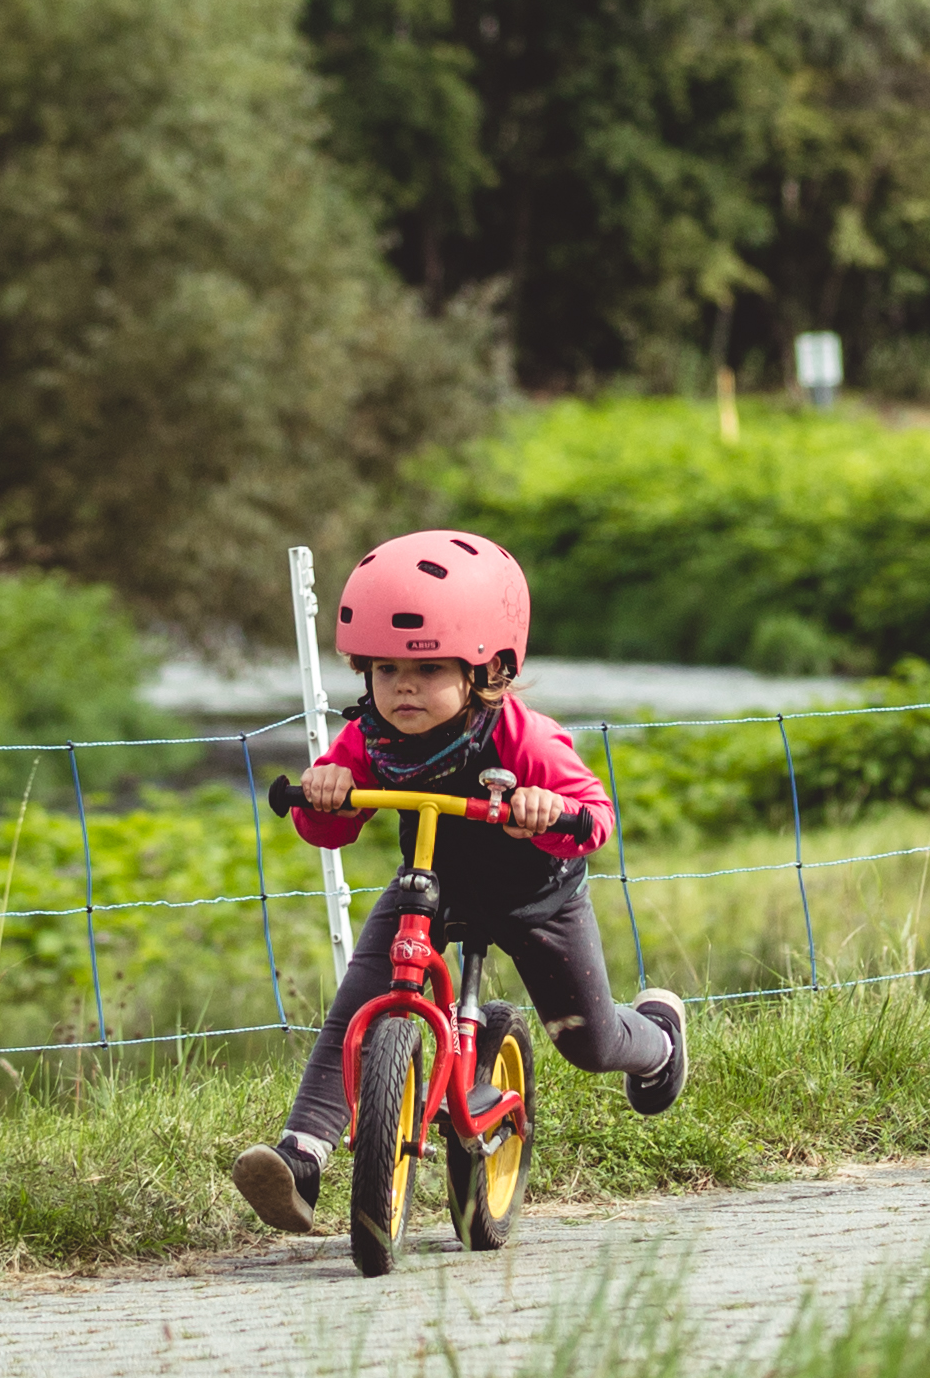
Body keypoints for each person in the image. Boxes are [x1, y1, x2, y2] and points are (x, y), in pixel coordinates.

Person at [224, 527, 689, 1235]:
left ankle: (657, 1038)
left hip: (536, 896)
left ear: (487, 671)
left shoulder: (523, 739)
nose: (402, 688)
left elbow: (596, 818)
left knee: (587, 1040)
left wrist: (546, 810)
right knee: (358, 1004)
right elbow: (332, 831)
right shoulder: (367, 738)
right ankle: (303, 1159)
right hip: (430, 887)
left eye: (429, 669)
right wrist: (328, 792)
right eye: (384, 671)